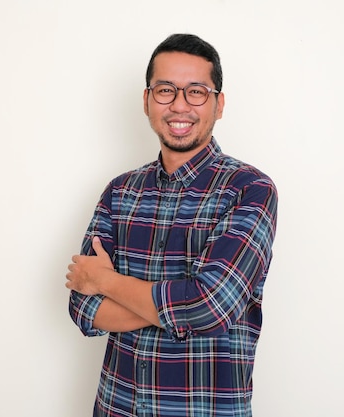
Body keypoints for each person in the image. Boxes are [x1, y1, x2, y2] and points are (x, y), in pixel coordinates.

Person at [66, 33, 278, 417]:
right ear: (147, 100)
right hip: (117, 407)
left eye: (196, 91)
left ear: (219, 104)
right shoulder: (120, 192)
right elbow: (83, 308)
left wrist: (107, 282)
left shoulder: (249, 190)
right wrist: (179, 302)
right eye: (165, 90)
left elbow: (208, 307)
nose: (180, 105)